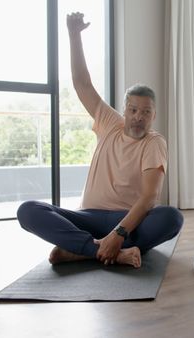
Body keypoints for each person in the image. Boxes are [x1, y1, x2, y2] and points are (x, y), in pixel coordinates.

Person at [17, 12, 183, 268]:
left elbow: (150, 197)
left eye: (146, 112)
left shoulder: (154, 142)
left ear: (154, 116)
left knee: (171, 217)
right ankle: (105, 252)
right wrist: (74, 35)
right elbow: (82, 84)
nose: (138, 117)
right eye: (133, 110)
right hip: (89, 217)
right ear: (125, 110)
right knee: (28, 211)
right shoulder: (109, 123)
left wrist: (118, 233)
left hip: (128, 221)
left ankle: (81, 249)